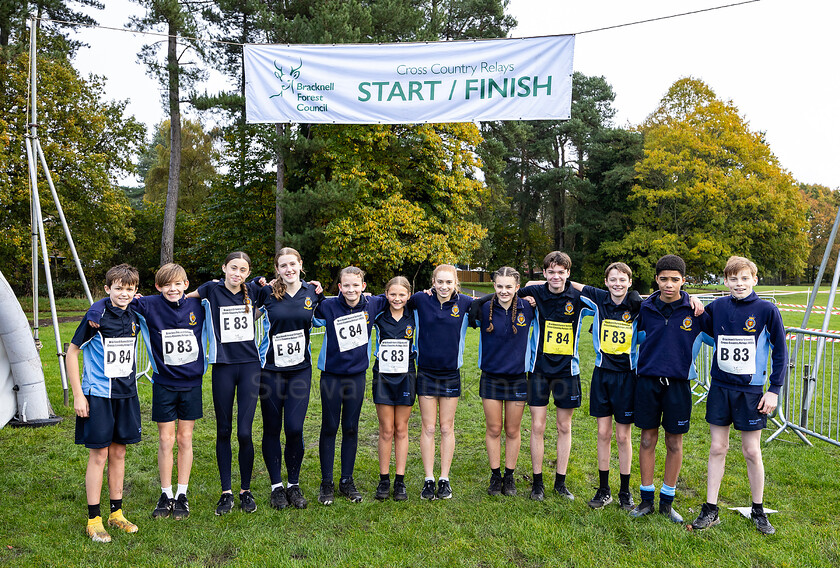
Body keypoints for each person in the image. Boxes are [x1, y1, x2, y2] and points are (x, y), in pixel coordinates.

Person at [690, 256, 785, 535]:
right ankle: (710, 508)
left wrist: (774, 390)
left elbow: (780, 352)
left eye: (744, 278)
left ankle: (758, 509)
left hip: (751, 392)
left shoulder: (767, 310)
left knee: (751, 451)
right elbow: (697, 321)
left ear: (754, 280)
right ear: (725, 281)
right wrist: (693, 301)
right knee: (717, 448)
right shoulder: (717, 306)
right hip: (720, 388)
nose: (739, 283)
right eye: (733, 279)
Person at [630, 254, 710, 523]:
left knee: (674, 442)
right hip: (648, 383)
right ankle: (646, 500)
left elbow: (722, 330)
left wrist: (696, 301)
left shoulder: (695, 312)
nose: (669, 284)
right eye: (663, 279)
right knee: (646, 439)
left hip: (678, 385)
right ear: (656, 279)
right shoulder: (644, 308)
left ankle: (667, 501)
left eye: (675, 280)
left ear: (683, 281)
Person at [67, 264, 142, 543]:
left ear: (135, 291)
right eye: (118, 288)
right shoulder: (95, 316)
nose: (124, 293)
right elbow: (71, 353)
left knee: (119, 453)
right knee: (99, 455)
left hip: (126, 394)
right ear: (108, 289)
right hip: (98, 395)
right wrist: (78, 394)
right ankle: (94, 519)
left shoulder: (136, 312)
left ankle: (116, 514)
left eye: (129, 289)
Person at [187, 251, 264, 515]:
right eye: (233, 268)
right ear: (224, 268)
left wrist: (316, 288)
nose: (237, 274)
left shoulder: (254, 290)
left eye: (243, 270)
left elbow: (284, 291)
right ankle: (226, 492)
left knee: (244, 432)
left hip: (250, 368)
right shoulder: (211, 289)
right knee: (223, 430)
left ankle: (245, 490)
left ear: (248, 273)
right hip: (222, 368)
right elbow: (180, 299)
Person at [518, 252, 595, 501]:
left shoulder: (578, 297)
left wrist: (576, 284)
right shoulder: (536, 293)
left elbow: (607, 295)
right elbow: (513, 290)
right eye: (551, 272)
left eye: (561, 272)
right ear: (544, 273)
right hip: (539, 370)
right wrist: (531, 289)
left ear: (568, 274)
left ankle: (560, 483)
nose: (556, 276)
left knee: (564, 426)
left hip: (567, 372)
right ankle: (537, 483)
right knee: (537, 427)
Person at [135, 264, 207, 520]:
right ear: (158, 287)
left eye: (177, 284)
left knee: (185, 439)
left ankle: (182, 494)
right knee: (166, 440)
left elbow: (231, 291)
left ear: (186, 284)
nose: (172, 289)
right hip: (164, 383)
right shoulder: (149, 305)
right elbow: (115, 302)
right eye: (166, 285)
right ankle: (165, 493)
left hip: (191, 383)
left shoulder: (200, 305)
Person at [256, 248, 324, 510]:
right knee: (272, 427)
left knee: (295, 428)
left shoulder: (312, 293)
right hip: (270, 370)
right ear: (277, 269)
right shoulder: (267, 293)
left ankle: (293, 484)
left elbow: (324, 318)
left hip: (300, 370)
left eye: (292, 264)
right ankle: (276, 487)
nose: (288, 269)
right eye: (283, 265)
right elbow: (246, 312)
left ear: (300, 264)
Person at [313, 266, 387, 505]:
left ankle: (346, 481)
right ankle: (326, 483)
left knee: (351, 428)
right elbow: (308, 307)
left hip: (356, 377)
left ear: (363, 286)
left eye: (356, 285)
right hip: (332, 376)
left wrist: (427, 292)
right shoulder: (328, 306)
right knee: (330, 426)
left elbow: (400, 295)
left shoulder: (374, 304)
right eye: (347, 285)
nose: (351, 289)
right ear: (340, 287)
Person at [571, 262, 642, 511]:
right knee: (603, 434)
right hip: (602, 376)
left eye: (622, 280)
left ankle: (625, 491)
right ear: (605, 281)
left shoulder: (637, 306)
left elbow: (665, 298)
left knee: (623, 436)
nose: (617, 284)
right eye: (613, 279)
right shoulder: (599, 298)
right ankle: (604, 490)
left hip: (627, 377)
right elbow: (569, 284)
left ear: (630, 282)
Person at [471, 267, 538, 497]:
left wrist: (527, 294)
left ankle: (509, 477)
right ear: (493, 286)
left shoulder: (528, 307)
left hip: (518, 378)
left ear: (517, 287)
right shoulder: (482, 309)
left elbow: (547, 285)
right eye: (499, 286)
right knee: (494, 428)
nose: (504, 291)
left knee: (512, 430)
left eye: (509, 287)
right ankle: (495, 475)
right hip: (490, 377)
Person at [411, 264, 475, 500]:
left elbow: (496, 298)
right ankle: (429, 479)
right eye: (440, 282)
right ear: (433, 282)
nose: (444, 287)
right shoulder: (420, 299)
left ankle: (444, 479)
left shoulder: (466, 303)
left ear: (455, 283)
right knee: (428, 427)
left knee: (447, 427)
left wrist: (528, 295)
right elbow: (392, 298)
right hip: (426, 372)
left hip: (450, 374)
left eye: (449, 282)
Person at [371, 276, 416, 501]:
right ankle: (384, 479)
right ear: (386, 294)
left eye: (402, 295)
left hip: (406, 376)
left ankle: (400, 481)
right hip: (384, 377)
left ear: (409, 296)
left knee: (401, 428)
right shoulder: (378, 315)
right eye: (392, 294)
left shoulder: (414, 316)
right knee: (386, 429)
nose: (397, 299)